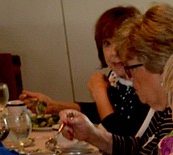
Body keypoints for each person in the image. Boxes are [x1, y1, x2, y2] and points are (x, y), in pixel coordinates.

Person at [58, 3, 173, 155]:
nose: (129, 78)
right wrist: (91, 134)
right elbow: (142, 149)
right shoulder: (166, 109)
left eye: (130, 69)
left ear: (159, 63)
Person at [19, 6, 149, 137]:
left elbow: (119, 138)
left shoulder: (145, 82)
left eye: (121, 43)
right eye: (107, 43)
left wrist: (99, 92)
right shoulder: (117, 77)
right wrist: (53, 106)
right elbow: (103, 110)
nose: (113, 52)